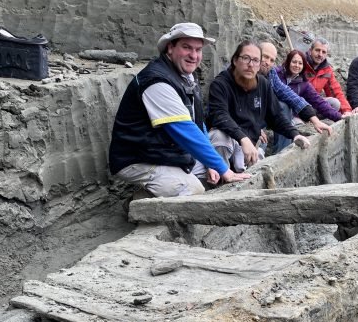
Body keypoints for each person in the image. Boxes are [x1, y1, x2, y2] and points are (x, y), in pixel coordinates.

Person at [108, 23, 249, 197]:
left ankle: (166, 187)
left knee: (210, 175)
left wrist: (212, 165)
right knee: (193, 190)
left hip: (165, 151)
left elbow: (197, 123)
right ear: (170, 48)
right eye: (186, 47)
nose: (193, 55)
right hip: (138, 158)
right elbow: (184, 130)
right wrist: (224, 169)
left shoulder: (186, 76)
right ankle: (139, 202)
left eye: (198, 49)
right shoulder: (157, 81)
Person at [207, 40, 311, 171]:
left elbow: (276, 116)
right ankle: (220, 176)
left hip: (250, 144)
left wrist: (295, 134)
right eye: (246, 58)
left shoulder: (262, 84)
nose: (250, 65)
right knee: (219, 136)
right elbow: (220, 116)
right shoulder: (221, 84)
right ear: (235, 60)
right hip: (228, 140)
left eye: (256, 60)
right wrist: (243, 138)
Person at [258, 42, 334, 153]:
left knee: (284, 106)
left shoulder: (271, 73)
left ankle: (282, 152)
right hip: (243, 121)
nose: (267, 62)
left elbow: (291, 96)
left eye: (271, 60)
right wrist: (252, 126)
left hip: (265, 115)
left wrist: (315, 121)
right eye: (265, 57)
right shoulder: (242, 74)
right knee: (259, 142)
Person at [303, 37, 358, 116]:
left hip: (313, 103)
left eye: (323, 52)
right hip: (298, 102)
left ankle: (311, 118)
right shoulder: (300, 63)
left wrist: (346, 110)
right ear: (310, 50)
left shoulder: (327, 70)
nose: (320, 54)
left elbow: (335, 91)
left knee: (335, 103)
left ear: (327, 54)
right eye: (317, 50)